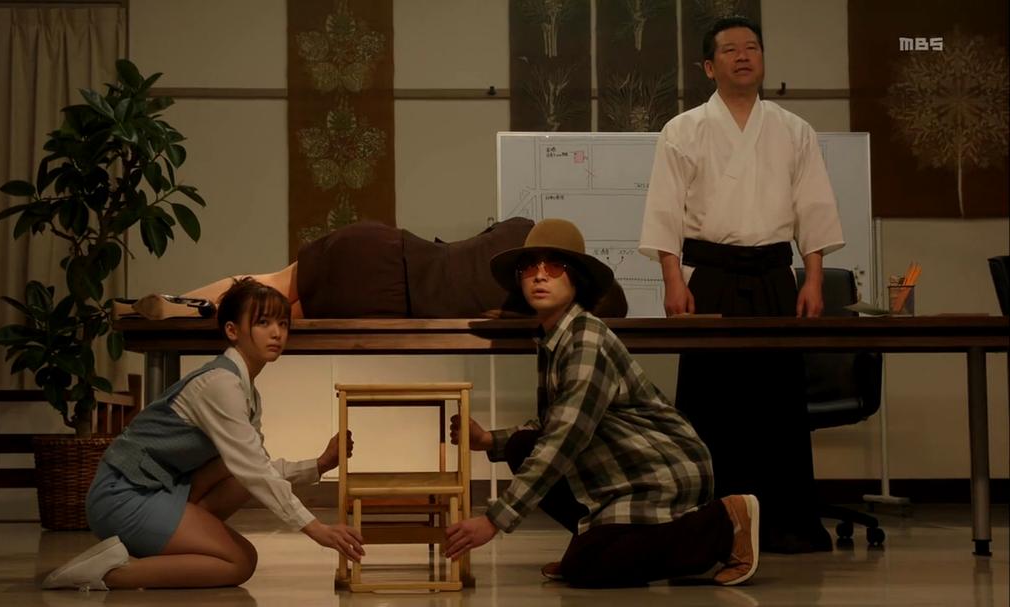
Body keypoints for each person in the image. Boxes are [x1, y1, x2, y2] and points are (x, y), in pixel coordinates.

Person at [441, 218, 760, 588]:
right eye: (529, 266)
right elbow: (552, 424)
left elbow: (563, 440)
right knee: (520, 446)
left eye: (555, 266)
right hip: (618, 477)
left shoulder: (586, 340)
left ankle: (724, 523)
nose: (540, 275)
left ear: (576, 279)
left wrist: (494, 519)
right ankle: (594, 542)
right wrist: (488, 441)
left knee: (590, 568)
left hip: (657, 473)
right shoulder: (553, 338)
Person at [638, 16, 845, 553]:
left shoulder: (793, 129)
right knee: (712, 403)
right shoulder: (683, 129)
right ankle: (713, 528)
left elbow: (813, 206)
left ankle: (786, 524)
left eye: (752, 47)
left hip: (774, 275)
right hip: (710, 277)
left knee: (779, 403)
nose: (744, 56)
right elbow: (665, 210)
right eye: (730, 50)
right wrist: (672, 280)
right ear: (709, 67)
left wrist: (813, 278)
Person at [41, 278, 365, 590]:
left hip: (162, 491)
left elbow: (255, 468)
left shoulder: (246, 391)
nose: (277, 333)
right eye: (263, 322)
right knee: (240, 561)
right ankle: (105, 574)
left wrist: (319, 465)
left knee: (235, 472)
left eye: (283, 323)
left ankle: (163, 556)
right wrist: (315, 529)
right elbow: (255, 471)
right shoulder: (221, 385)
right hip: (123, 496)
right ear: (232, 331)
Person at [119, 217, 628, 321]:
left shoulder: (519, 236)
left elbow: (480, 240)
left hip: (388, 252)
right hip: (391, 303)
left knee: (271, 284)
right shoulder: (528, 312)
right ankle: (192, 312)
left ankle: (184, 303)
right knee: (278, 317)